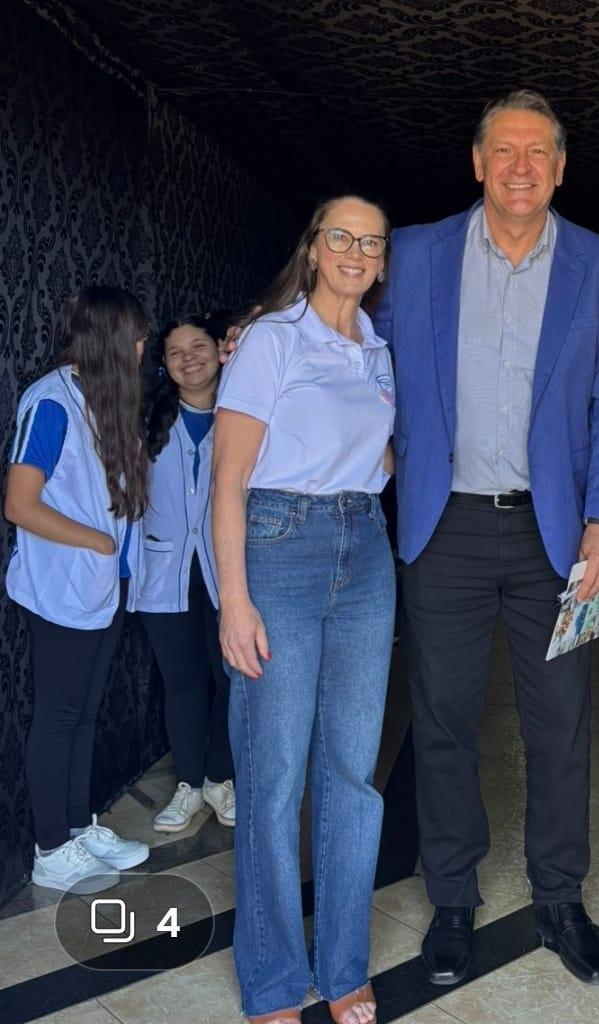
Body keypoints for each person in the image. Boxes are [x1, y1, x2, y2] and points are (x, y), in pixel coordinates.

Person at [373, 89, 599, 987]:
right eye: (505, 151)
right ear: (477, 163)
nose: (521, 167)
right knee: (441, 719)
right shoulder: (411, 255)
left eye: (539, 153)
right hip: (440, 525)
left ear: (560, 169)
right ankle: (451, 899)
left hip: (556, 537)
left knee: (559, 725)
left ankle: (559, 896)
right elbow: (352, 352)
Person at [213, 196, 395, 1024]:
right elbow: (227, 480)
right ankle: (277, 979)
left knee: (353, 776)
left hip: (364, 548)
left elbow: (380, 455)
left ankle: (344, 965)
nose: (356, 251)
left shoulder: (378, 351)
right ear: (314, 250)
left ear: (381, 260)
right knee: (274, 775)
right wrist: (234, 600)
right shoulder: (271, 341)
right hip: (278, 546)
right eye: (341, 237)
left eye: (371, 241)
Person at [5, 285, 151, 894]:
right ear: (113, 341)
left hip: (105, 587)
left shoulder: (104, 401)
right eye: (139, 337)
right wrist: (94, 542)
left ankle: (75, 825)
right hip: (65, 587)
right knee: (60, 716)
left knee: (85, 715)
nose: (146, 347)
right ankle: (50, 848)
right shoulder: (52, 402)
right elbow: (19, 504)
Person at [135, 313, 235, 833]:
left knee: (231, 679)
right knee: (182, 683)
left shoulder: (245, 411)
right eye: (176, 352)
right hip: (165, 570)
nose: (188, 358)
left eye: (199, 345)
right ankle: (189, 785)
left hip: (229, 570)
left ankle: (221, 778)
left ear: (222, 349)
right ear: (165, 364)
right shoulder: (148, 416)